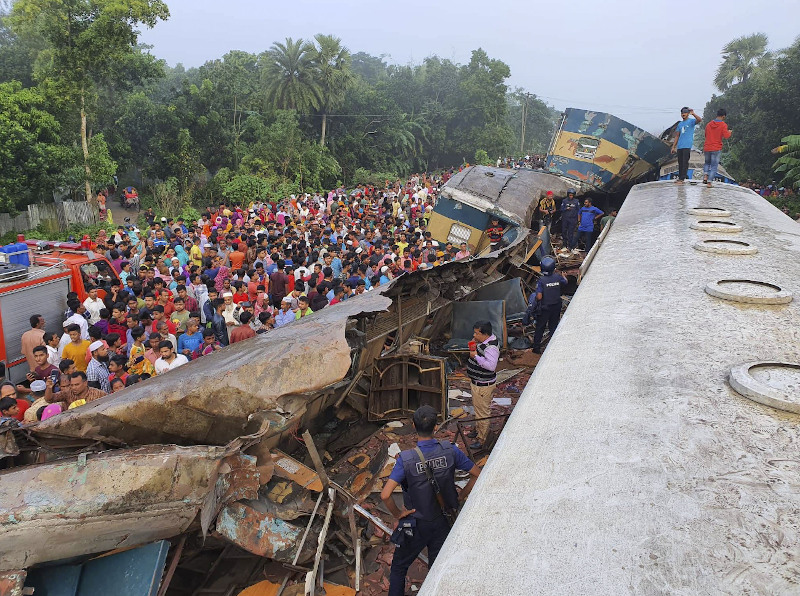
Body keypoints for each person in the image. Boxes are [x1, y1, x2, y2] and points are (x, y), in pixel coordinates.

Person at [381, 405, 481, 596]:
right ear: (436, 427)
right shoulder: (451, 450)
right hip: (444, 520)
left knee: (399, 567)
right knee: (437, 569)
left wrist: (398, 514)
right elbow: (477, 474)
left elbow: (385, 495)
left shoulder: (406, 460)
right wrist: (460, 496)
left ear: (413, 426)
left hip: (417, 523)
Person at [466, 320, 500, 451]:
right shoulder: (487, 341)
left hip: (483, 385)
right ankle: (478, 429)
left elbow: (491, 366)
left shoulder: (491, 348)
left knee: (482, 413)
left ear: (485, 334)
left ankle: (482, 439)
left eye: (476, 333)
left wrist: (476, 357)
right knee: (478, 409)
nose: (474, 335)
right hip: (478, 383)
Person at [532, 256, 568, 354]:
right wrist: (564, 275)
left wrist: (535, 299)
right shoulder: (557, 277)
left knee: (540, 327)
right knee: (554, 326)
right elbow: (565, 282)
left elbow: (539, 297)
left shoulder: (541, 280)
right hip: (556, 306)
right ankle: (554, 348)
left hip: (545, 308)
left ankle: (536, 348)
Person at [671, 107, 702, 183]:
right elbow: (677, 135)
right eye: (682, 113)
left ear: (688, 114)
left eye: (684, 113)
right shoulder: (680, 124)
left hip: (687, 145)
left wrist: (693, 113)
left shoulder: (691, 121)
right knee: (680, 162)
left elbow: (699, 120)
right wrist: (673, 146)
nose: (683, 114)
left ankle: (682, 178)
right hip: (680, 145)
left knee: (685, 162)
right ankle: (680, 177)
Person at [703, 108, 732, 187]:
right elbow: (726, 136)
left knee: (707, 163)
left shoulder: (709, 124)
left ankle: (705, 176)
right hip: (716, 148)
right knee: (714, 166)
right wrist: (729, 132)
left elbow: (705, 135)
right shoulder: (723, 125)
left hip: (707, 147)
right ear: (723, 116)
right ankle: (709, 182)